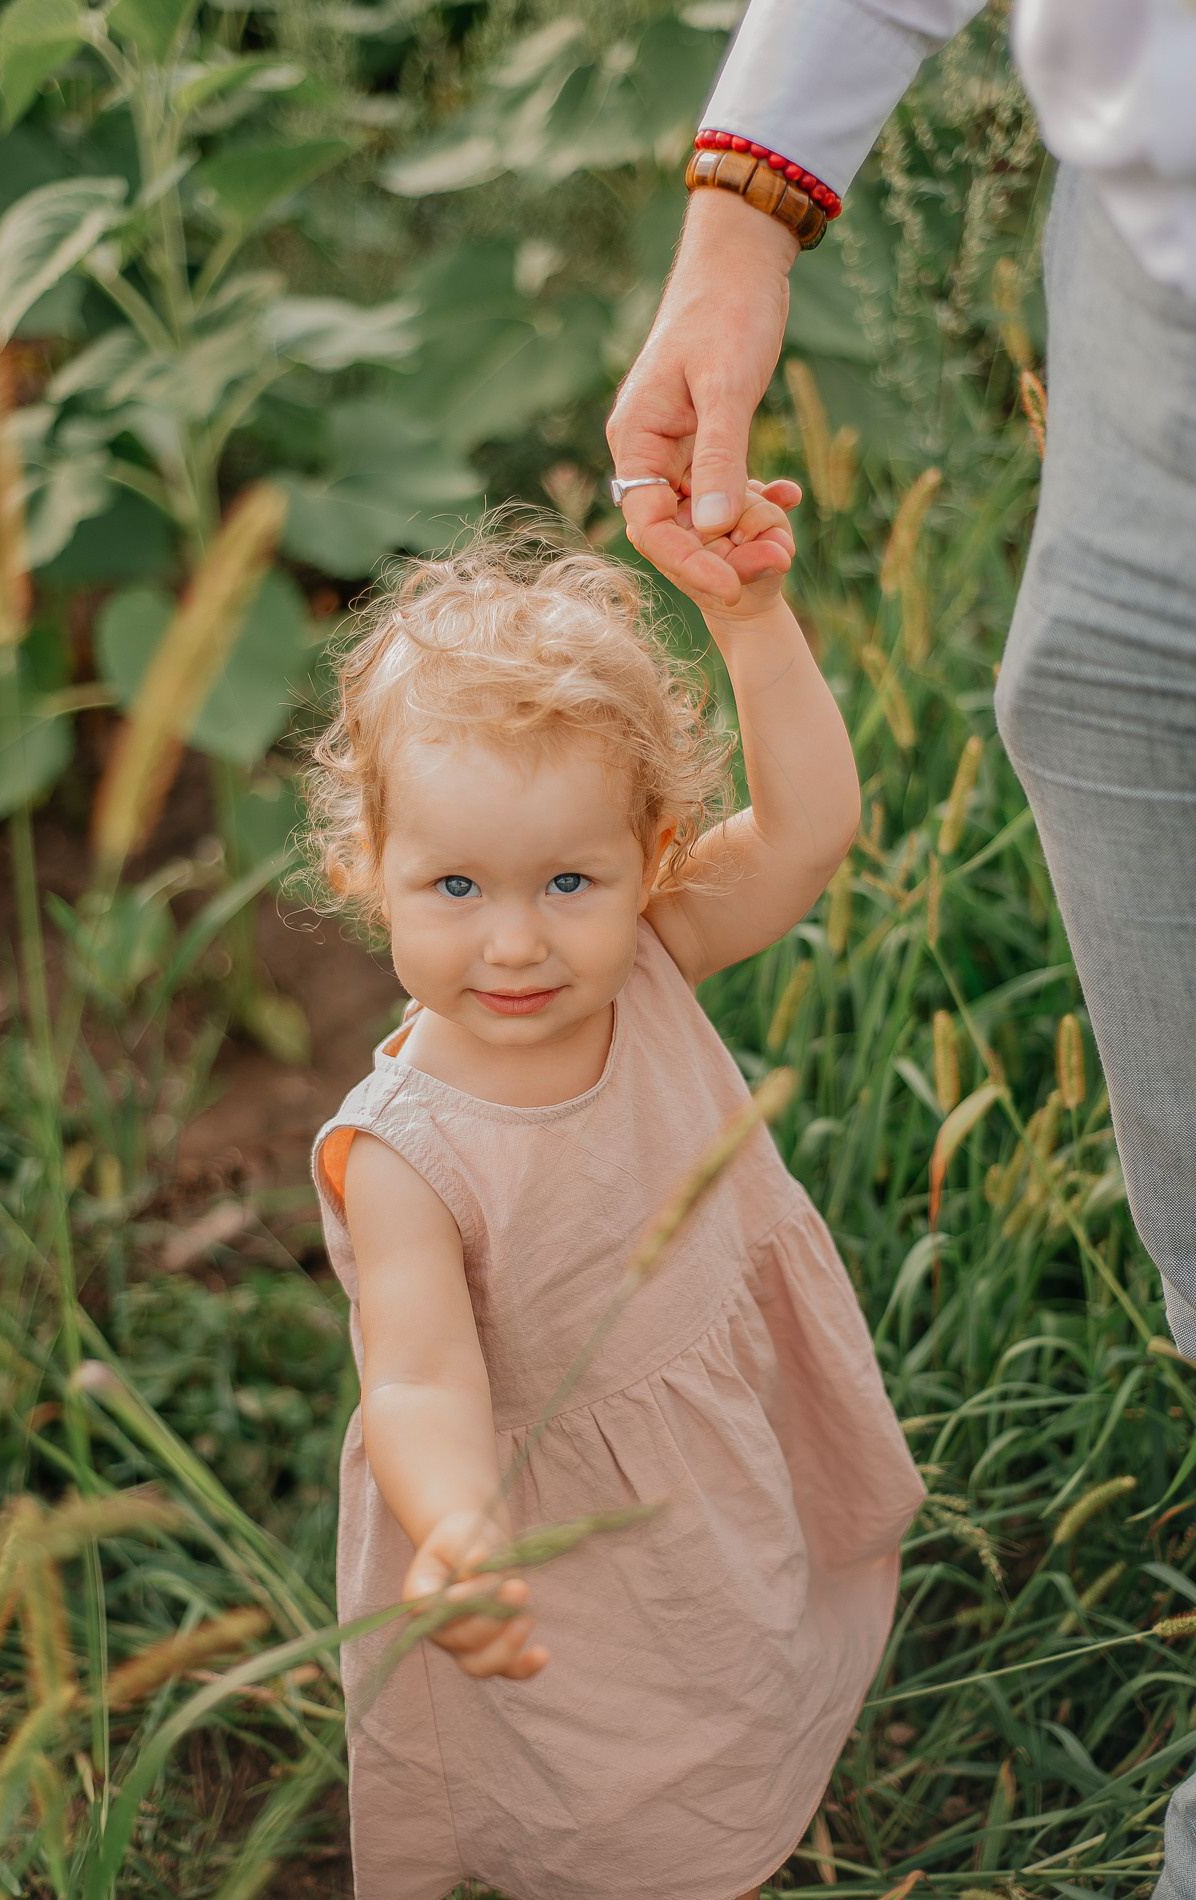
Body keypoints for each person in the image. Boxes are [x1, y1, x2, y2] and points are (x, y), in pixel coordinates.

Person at [606, 0, 1196, 1889]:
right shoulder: (411, 1121)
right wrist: (741, 221)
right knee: (1106, 715)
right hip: (1155, 278)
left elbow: (796, 844)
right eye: (453, 889)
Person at [309, 513, 925, 1900]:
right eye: (454, 886)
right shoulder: (406, 1150)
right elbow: (413, 1377)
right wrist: (458, 1528)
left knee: (735, 1666)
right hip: (545, 1529)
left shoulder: (648, 951)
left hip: (708, 1443)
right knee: (607, 1778)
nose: (516, 939)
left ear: (651, 859)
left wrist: (756, 628)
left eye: (566, 881)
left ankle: (742, 1812)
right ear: (368, 870)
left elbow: (813, 827)